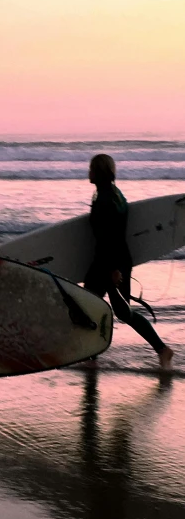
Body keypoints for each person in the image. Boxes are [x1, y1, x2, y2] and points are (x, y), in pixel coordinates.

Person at [84, 154, 173, 370]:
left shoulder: (105, 199)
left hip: (109, 261)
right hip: (114, 259)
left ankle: (161, 350)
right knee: (104, 308)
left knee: (91, 305)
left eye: (91, 169)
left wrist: (113, 269)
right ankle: (161, 350)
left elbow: (111, 235)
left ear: (99, 172)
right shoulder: (114, 195)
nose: (88, 172)